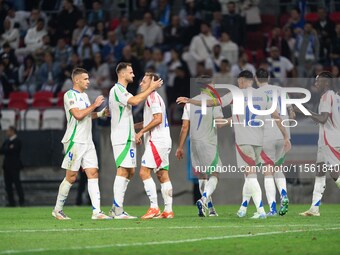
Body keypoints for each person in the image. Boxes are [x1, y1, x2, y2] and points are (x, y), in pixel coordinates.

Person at [177, 70, 291, 219]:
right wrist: (286, 136)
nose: (238, 84)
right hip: (259, 142)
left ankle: (261, 210)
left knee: (250, 175)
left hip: (243, 141)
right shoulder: (264, 96)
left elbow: (213, 102)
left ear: (242, 80)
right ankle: (244, 208)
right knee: (249, 175)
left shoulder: (235, 94)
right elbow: (276, 116)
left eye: (238, 81)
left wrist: (190, 101)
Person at [52, 67, 111, 220]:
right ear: (76, 80)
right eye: (85, 79)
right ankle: (57, 210)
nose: (88, 81)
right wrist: (95, 105)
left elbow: (86, 115)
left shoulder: (84, 96)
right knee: (71, 177)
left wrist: (100, 113)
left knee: (93, 173)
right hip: (75, 141)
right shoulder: (69, 95)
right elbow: (78, 115)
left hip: (87, 141)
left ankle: (97, 212)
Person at [108, 62, 163, 219]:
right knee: (123, 170)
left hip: (127, 135)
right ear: (122, 73)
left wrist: (134, 132)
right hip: (121, 136)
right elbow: (135, 101)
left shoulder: (122, 91)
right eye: (131, 72)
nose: (133, 75)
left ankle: (116, 207)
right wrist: (151, 88)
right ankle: (117, 209)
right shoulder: (117, 89)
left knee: (130, 171)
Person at [175, 80, 224, 217]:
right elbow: (219, 124)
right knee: (215, 173)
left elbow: (184, 127)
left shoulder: (190, 103)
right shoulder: (213, 102)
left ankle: (210, 208)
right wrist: (234, 119)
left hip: (194, 143)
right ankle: (203, 200)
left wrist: (180, 147)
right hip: (208, 142)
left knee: (202, 176)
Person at [254, 68, 295, 216]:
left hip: (267, 135)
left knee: (267, 171)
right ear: (269, 77)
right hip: (284, 134)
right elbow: (292, 111)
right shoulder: (281, 90)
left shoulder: (256, 94)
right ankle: (283, 194)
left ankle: (272, 208)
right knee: (278, 168)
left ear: (256, 79)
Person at [299, 72, 340, 216]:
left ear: (326, 83)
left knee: (334, 172)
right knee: (320, 172)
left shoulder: (327, 95)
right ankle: (314, 208)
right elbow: (323, 119)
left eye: (318, 81)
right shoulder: (335, 96)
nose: (315, 84)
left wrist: (304, 110)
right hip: (326, 139)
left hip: (330, 139)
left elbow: (322, 119)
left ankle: (314, 208)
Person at [135, 72, 174, 219]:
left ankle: (154, 207)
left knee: (144, 172)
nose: (141, 84)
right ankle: (168, 210)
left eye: (144, 82)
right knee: (162, 174)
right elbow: (150, 120)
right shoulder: (155, 97)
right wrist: (134, 127)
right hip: (162, 140)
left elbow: (157, 119)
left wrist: (140, 133)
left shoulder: (152, 97)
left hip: (157, 140)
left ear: (153, 83)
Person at [0, 126, 25, 207]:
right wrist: (9, 148)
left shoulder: (18, 141)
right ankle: (11, 202)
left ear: (12, 131)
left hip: (14, 166)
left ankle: (21, 201)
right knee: (8, 185)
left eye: (8, 131)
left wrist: (8, 149)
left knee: (17, 184)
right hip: (6, 166)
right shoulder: (7, 141)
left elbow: (15, 150)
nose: (7, 132)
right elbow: (2, 150)